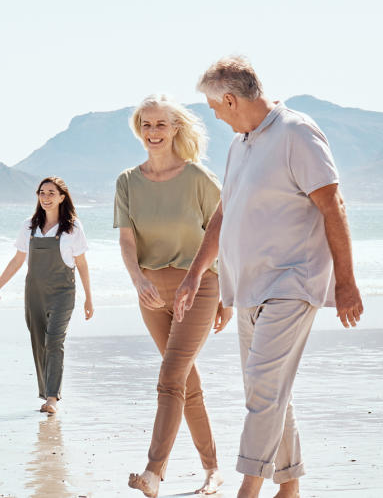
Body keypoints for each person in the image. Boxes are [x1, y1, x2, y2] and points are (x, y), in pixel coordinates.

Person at [173, 55, 366, 498]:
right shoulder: (240, 144)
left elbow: (332, 204)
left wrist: (346, 282)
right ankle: (290, 485)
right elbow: (224, 213)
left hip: (292, 282)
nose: (215, 115)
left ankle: (250, 489)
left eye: (215, 106)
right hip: (247, 287)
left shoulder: (296, 132)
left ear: (230, 98)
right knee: (269, 387)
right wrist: (195, 273)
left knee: (262, 386)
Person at [114, 94, 234, 497]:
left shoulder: (199, 179)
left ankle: (153, 472)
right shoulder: (127, 181)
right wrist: (137, 280)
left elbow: (225, 237)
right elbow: (127, 240)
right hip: (151, 293)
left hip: (198, 289)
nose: (153, 132)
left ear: (175, 128)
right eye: (146, 125)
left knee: (170, 377)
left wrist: (229, 294)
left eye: (161, 124)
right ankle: (213, 468)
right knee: (187, 382)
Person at [0, 177, 94, 415]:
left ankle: (52, 398)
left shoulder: (73, 227)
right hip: (34, 293)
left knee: (54, 342)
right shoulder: (29, 226)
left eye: (51, 193)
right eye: (42, 193)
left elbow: (82, 264)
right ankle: (46, 394)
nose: (45, 197)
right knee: (39, 344)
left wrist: (88, 297)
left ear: (62, 197)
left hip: (63, 293)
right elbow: (17, 260)